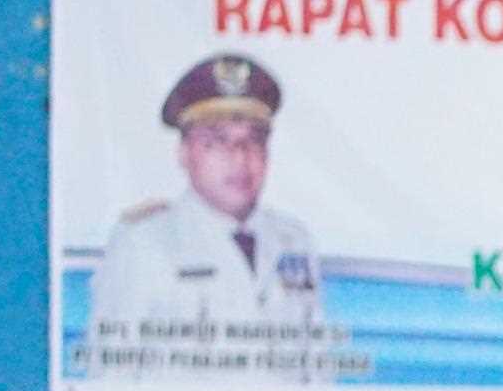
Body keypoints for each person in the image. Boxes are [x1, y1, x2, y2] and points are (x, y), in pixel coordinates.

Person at [85, 52, 347, 360]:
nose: (239, 158)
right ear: (184, 153)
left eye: (253, 141)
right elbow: (113, 372)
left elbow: (316, 365)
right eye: (217, 142)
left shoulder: (294, 240)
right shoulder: (143, 243)